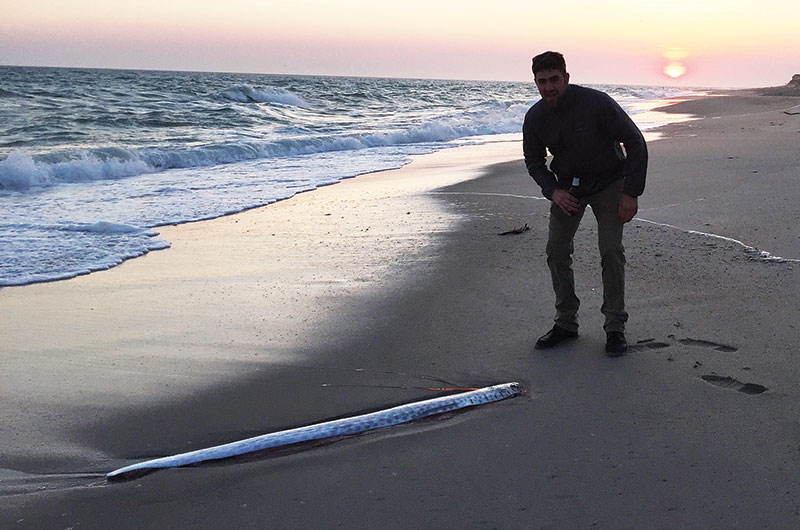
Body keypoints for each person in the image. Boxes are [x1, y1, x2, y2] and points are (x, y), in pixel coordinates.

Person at [522, 51, 647, 356]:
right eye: (542, 81)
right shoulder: (535, 117)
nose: (549, 86)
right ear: (536, 83)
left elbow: (635, 142)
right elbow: (534, 161)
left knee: (611, 250)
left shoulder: (597, 103)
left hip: (609, 183)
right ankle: (566, 323)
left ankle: (615, 326)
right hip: (568, 189)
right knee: (556, 251)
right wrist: (553, 191)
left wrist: (631, 192)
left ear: (566, 78)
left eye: (554, 79)